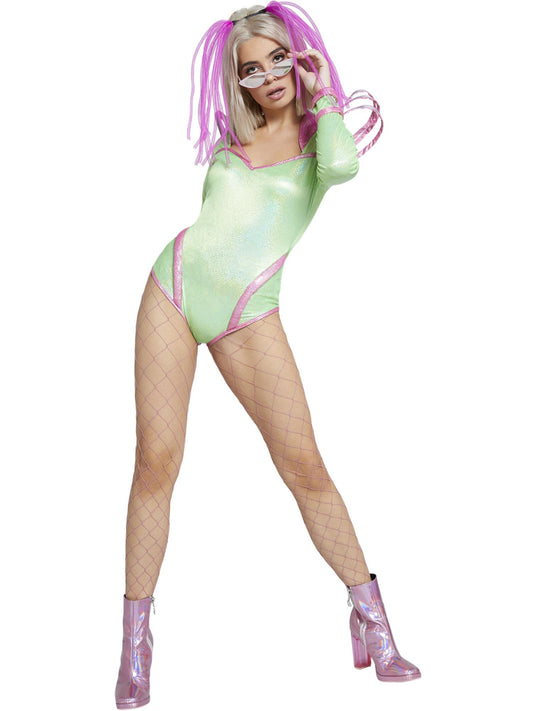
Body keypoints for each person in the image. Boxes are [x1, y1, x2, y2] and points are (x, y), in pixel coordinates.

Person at [115, 3, 420, 708]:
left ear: (299, 57)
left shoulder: (322, 139)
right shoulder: (236, 135)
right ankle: (135, 645)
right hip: (171, 287)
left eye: (279, 58)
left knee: (304, 466)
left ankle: (372, 623)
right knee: (154, 461)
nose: (268, 76)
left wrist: (324, 94)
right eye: (251, 69)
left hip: (248, 311)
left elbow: (342, 166)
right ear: (240, 81)